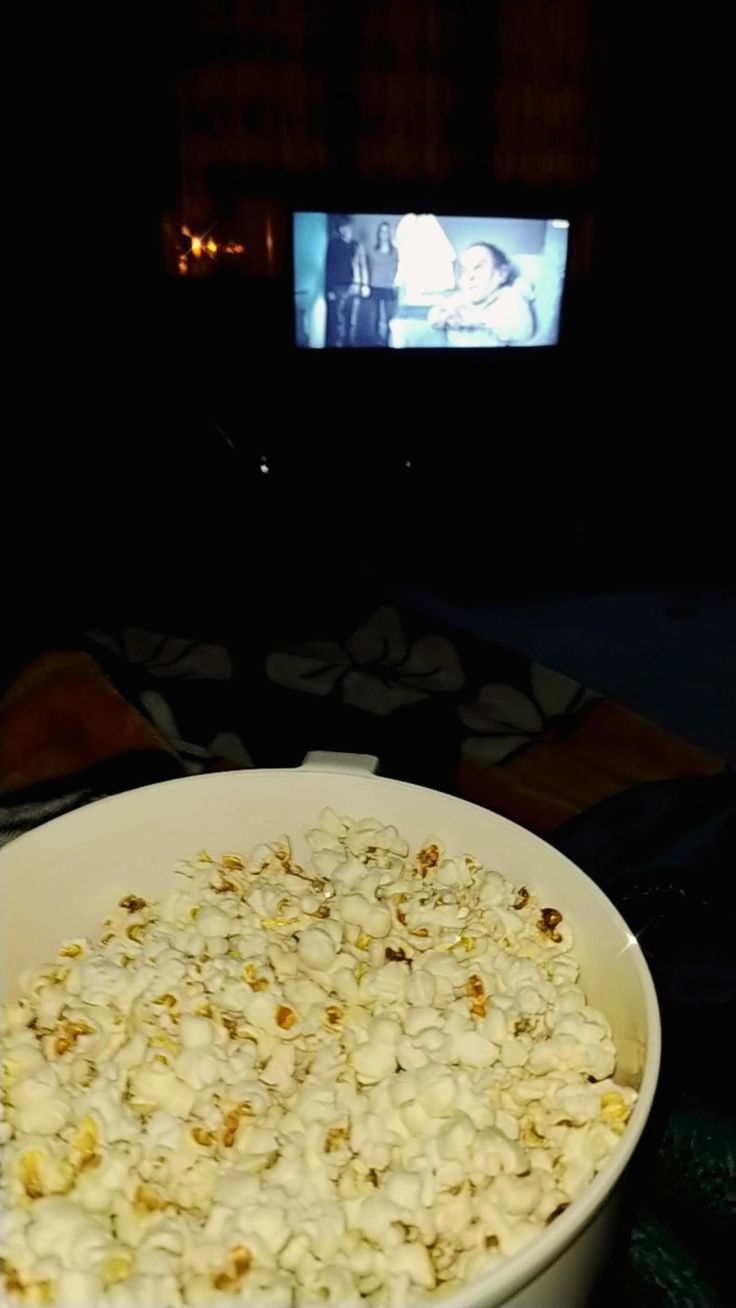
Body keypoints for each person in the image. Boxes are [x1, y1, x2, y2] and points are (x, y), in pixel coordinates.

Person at [428, 242, 536, 345]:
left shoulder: (510, 297)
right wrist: (442, 316)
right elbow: (434, 314)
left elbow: (523, 332)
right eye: (464, 270)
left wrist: (477, 320)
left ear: (501, 274)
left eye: (478, 267)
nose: (470, 277)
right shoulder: (460, 298)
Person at [324, 216, 368, 347]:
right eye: (342, 227)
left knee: (352, 319)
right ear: (338, 229)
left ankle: (350, 343)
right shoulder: (333, 245)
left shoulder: (357, 245)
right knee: (339, 319)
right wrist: (330, 289)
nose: (345, 230)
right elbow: (329, 267)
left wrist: (364, 285)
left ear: (351, 228)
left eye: (347, 226)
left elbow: (363, 266)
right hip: (338, 287)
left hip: (355, 286)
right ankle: (339, 343)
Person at [368, 221, 399, 345]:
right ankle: (376, 340)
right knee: (375, 316)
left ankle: (387, 340)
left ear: (389, 234)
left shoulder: (395, 251)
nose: (384, 234)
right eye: (381, 231)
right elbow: (368, 267)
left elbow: (397, 267)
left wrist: (393, 281)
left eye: (386, 231)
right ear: (378, 233)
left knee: (388, 317)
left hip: (389, 286)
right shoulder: (373, 250)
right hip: (375, 285)